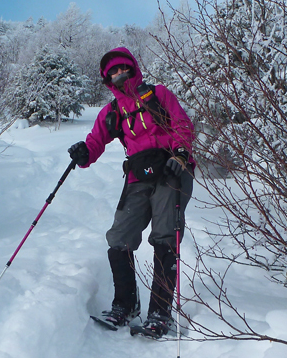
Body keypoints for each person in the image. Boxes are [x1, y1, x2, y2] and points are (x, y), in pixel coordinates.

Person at [68, 47, 195, 338]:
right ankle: (126, 304)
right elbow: (95, 142)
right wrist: (83, 153)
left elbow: (182, 124)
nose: (117, 74)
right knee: (119, 238)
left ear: (132, 68)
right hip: (138, 175)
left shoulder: (159, 95)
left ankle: (160, 313)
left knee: (165, 236)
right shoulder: (112, 111)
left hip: (171, 169)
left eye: (121, 68)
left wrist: (179, 153)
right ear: (106, 79)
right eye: (111, 72)